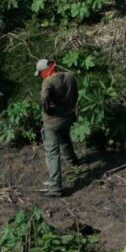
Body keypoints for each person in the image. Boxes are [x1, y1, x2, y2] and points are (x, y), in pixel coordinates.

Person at [36, 59, 79, 198]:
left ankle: (55, 187)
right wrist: (69, 109)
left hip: (52, 122)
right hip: (67, 116)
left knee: (52, 153)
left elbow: (44, 99)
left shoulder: (48, 82)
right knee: (65, 138)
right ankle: (73, 162)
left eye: (40, 73)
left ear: (45, 70)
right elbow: (75, 96)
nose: (41, 76)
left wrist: (48, 111)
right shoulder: (70, 76)